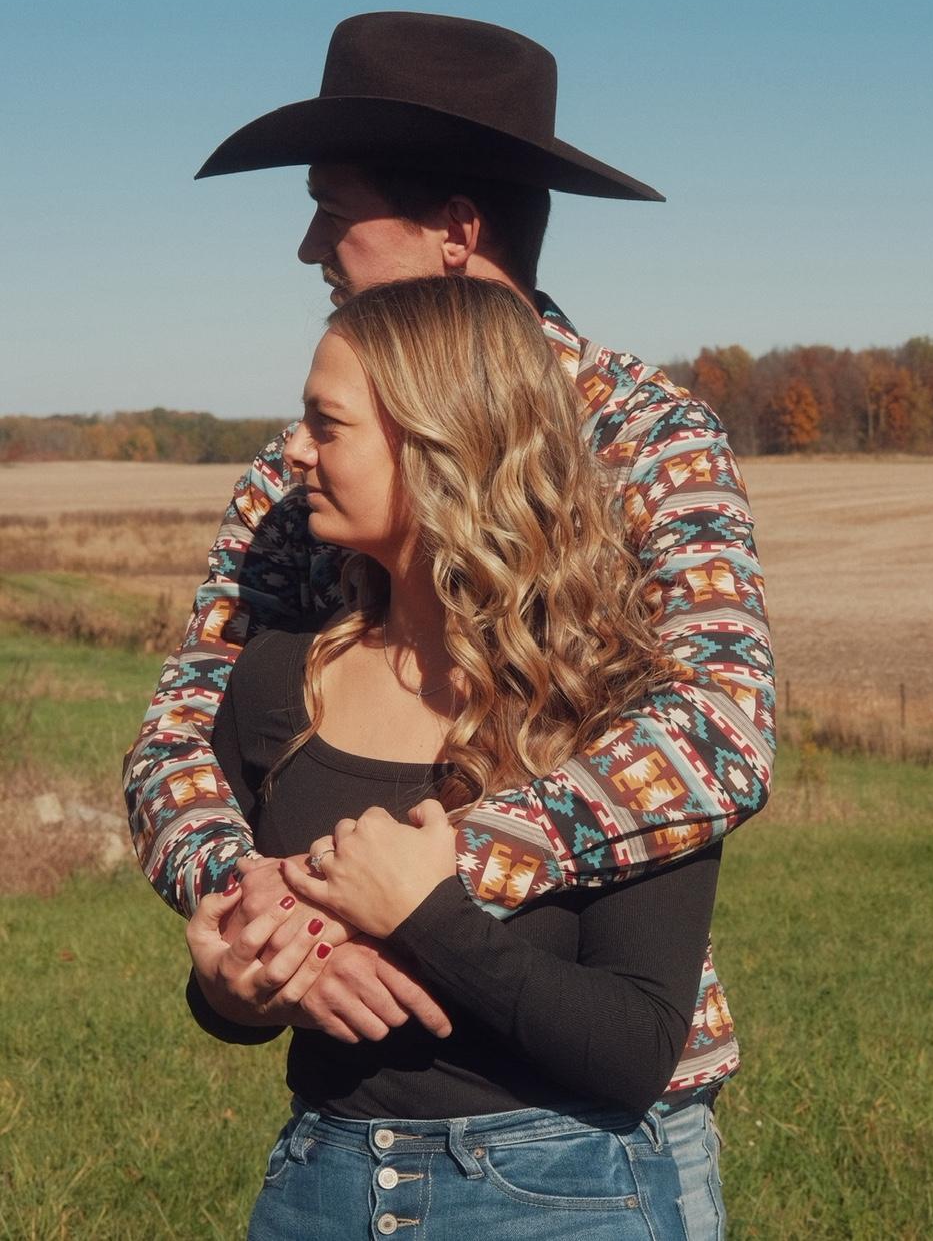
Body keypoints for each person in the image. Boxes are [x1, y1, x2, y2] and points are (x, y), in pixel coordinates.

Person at [122, 12, 771, 1219]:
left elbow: (715, 732)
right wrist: (265, 917)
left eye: (336, 210)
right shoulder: (291, 476)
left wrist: (418, 882)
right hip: (349, 1125)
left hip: (594, 1124)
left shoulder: (643, 433)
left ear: (457, 234)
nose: (308, 243)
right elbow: (180, 735)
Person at [186, 275, 725, 1237]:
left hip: (559, 1193)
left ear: (439, 443)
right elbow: (235, 991)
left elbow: (636, 1046)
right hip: (318, 1182)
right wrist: (234, 989)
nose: (293, 452)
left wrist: (425, 917)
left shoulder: (610, 705)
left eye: (326, 425)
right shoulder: (277, 682)